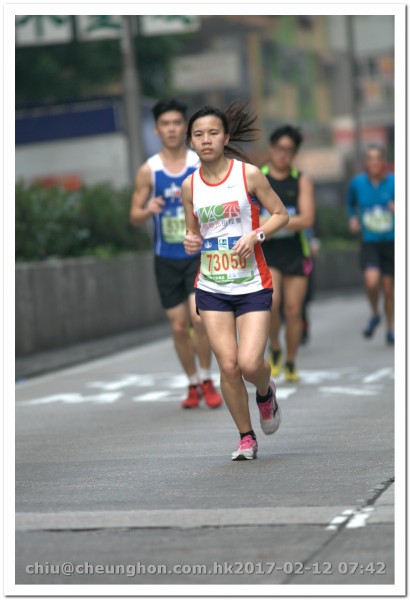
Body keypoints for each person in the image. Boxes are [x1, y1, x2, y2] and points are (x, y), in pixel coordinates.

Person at [181, 101, 289, 461]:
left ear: (225, 137)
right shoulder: (189, 186)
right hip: (212, 285)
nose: (206, 139)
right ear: (191, 142)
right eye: (199, 134)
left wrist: (256, 235)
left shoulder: (248, 175)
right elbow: (193, 232)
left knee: (249, 363)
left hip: (252, 283)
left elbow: (280, 214)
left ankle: (265, 392)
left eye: (213, 133)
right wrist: (190, 240)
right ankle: (246, 437)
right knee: (227, 365)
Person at [130, 98, 223, 409]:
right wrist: (148, 209)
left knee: (199, 319)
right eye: (165, 124)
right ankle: (192, 382)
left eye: (176, 123)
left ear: (185, 128)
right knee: (178, 326)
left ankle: (208, 378)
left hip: (198, 255)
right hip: (166, 257)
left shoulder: (198, 163)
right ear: (156, 129)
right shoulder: (149, 170)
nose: (171, 129)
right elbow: (134, 214)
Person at [259, 125, 316, 382]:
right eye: (279, 148)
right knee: (272, 302)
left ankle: (291, 361)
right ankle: (276, 348)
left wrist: (272, 221)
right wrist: (279, 221)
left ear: (295, 153)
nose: (283, 154)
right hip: (267, 252)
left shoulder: (301, 180)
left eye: (289, 150)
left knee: (294, 310)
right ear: (271, 149)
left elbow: (307, 219)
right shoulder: (258, 177)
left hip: (295, 252)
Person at [347, 144, 394, 345]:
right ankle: (375, 313)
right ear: (366, 163)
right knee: (372, 282)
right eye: (370, 159)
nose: (374, 163)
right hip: (370, 242)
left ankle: (391, 329)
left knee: (389, 288)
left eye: (378, 159)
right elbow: (350, 203)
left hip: (392, 242)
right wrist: (352, 219)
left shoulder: (395, 182)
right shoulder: (357, 183)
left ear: (384, 162)